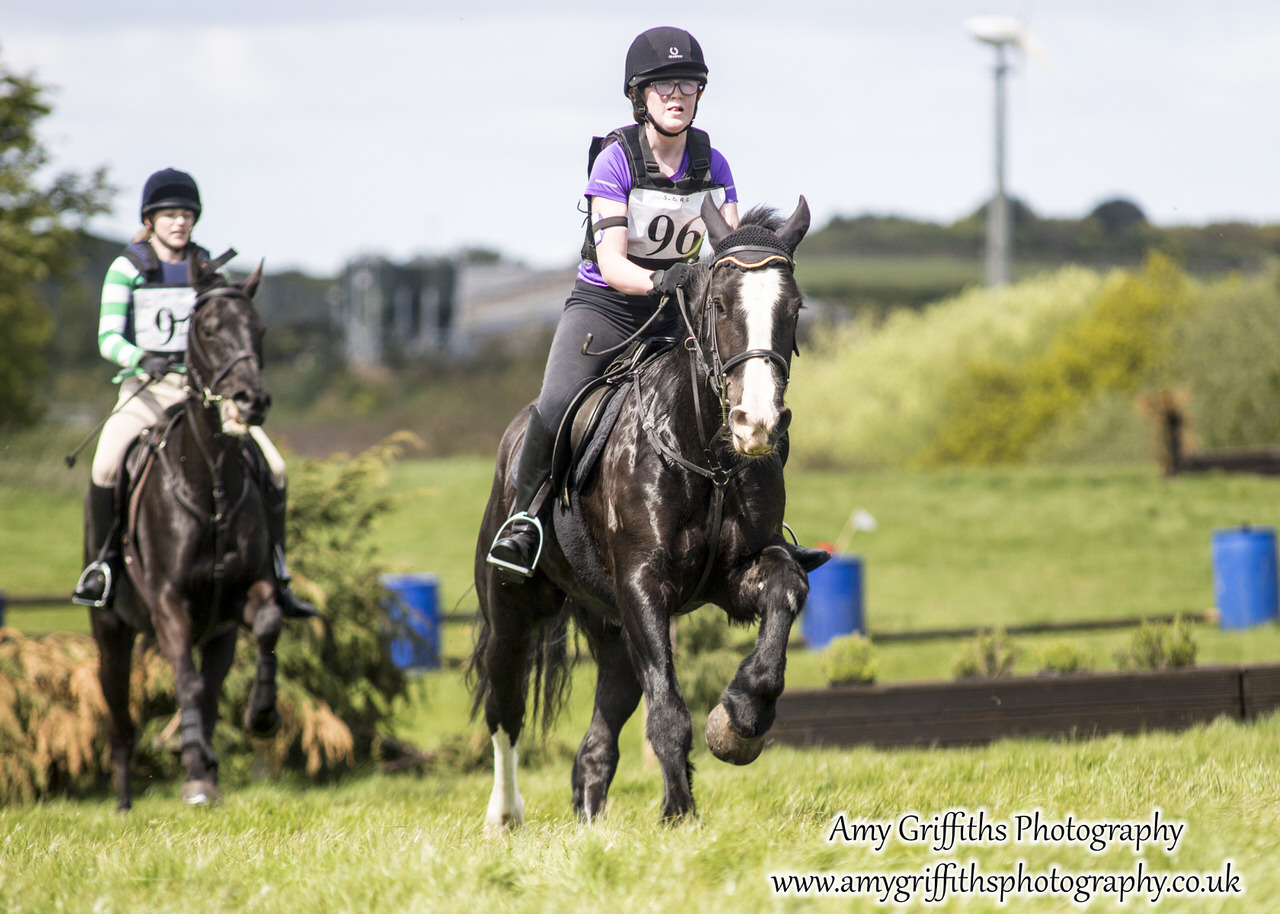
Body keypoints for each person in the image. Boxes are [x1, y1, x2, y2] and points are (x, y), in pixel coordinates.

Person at [486, 26, 740, 580]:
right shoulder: (615, 161)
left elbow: (727, 252)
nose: (677, 95)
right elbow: (612, 263)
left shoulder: (714, 165)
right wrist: (662, 282)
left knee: (743, 392)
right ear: (639, 96)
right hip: (606, 309)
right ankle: (523, 519)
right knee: (553, 404)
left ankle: (756, 526)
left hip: (679, 315)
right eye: (664, 85)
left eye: (688, 85)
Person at [72, 168, 316, 618]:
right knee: (105, 465)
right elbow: (107, 338)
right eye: (169, 214)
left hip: (203, 394)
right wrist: (141, 359)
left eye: (186, 214)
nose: (179, 222)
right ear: (151, 219)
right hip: (145, 388)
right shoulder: (127, 268)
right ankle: (101, 566)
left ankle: (277, 570)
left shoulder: (207, 269)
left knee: (276, 467)